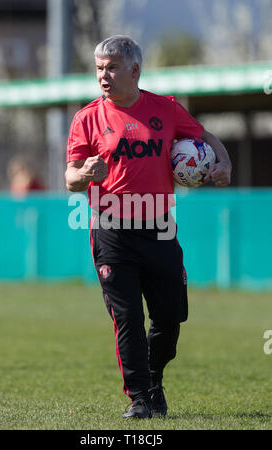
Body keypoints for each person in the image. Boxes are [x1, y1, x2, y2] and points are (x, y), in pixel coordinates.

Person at [65, 35, 231, 419]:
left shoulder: (166, 109)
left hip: (159, 228)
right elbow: (70, 178)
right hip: (110, 230)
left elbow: (207, 138)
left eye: (112, 67)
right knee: (128, 319)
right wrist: (85, 172)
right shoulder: (87, 118)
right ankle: (140, 398)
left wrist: (224, 164)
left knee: (170, 319)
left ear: (135, 70)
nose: (104, 75)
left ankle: (154, 379)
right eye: (99, 68)